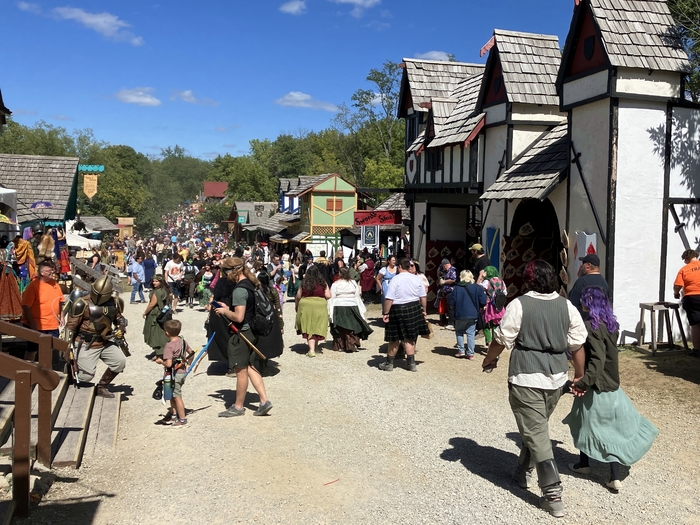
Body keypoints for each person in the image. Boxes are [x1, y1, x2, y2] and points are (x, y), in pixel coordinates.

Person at [481, 259, 587, 518]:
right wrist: (579, 376)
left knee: (537, 431)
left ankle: (553, 494)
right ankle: (521, 472)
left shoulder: (519, 305)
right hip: (556, 379)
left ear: (528, 280)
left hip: (526, 377)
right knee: (536, 428)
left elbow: (501, 338)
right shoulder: (566, 306)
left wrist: (489, 358)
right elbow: (577, 344)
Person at [563, 287, 659, 492]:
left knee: (585, 423)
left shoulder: (591, 326)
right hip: (612, 385)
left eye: (583, 300)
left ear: (589, 302)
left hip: (596, 385)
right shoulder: (611, 324)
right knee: (610, 428)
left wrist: (583, 382)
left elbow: (597, 359)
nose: (581, 302)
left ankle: (586, 465)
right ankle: (610, 474)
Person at [214, 257, 273, 417]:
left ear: (233, 272)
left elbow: (239, 317)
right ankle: (263, 401)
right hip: (251, 331)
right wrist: (228, 307)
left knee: (240, 370)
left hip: (242, 333)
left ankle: (238, 406)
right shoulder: (250, 284)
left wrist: (225, 311)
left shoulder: (239, 290)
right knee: (249, 366)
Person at [64, 276, 128, 398]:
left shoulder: (114, 303)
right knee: (85, 377)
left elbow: (120, 319)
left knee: (119, 362)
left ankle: (101, 387)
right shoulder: (82, 303)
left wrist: (121, 328)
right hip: (86, 343)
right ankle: (70, 368)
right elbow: (70, 327)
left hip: (105, 341)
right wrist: (67, 347)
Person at [378, 258, 430, 372]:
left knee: (394, 337)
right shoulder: (417, 279)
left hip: (398, 309)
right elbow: (423, 297)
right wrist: (424, 310)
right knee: (410, 336)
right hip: (414, 307)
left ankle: (389, 363)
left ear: (400, 267)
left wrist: (386, 313)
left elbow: (389, 298)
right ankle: (411, 364)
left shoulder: (396, 279)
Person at [21, 260, 65, 361]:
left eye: (53, 271)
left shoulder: (55, 284)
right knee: (32, 349)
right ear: (42, 273)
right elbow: (25, 306)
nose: (52, 273)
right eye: (50, 271)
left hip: (52, 324)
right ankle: (29, 368)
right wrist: (32, 324)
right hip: (37, 324)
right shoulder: (33, 286)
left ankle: (45, 370)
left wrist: (61, 316)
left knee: (49, 349)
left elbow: (60, 301)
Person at [156, 319, 194, 427]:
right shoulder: (183, 341)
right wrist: (188, 365)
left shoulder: (169, 346)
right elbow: (191, 353)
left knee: (177, 396)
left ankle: (182, 419)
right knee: (172, 395)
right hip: (181, 373)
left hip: (174, 374)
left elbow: (168, 364)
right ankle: (173, 415)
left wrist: (160, 362)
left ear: (167, 333)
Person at [328, 267, 373, 352]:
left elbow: (332, 296)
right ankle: (351, 343)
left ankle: (341, 345)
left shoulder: (336, 284)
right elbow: (357, 294)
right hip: (352, 305)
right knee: (353, 325)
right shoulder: (353, 283)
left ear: (340, 274)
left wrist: (330, 309)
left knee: (340, 327)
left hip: (339, 305)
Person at [295, 265, 331, 357]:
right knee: (317, 325)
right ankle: (315, 347)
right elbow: (328, 295)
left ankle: (311, 350)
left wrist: (296, 306)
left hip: (306, 305)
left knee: (308, 325)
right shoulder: (323, 283)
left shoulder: (304, 283)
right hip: (319, 305)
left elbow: (298, 296)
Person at [449, 270, 486, 359]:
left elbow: (452, 302)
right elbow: (483, 301)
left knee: (459, 332)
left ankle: (461, 350)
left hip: (460, 314)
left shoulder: (457, 288)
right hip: (473, 314)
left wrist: (452, 309)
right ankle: (470, 353)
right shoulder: (477, 288)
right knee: (471, 333)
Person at [673, 249, 700, 356]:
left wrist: (676, 293)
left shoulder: (684, 269)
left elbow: (677, 285)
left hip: (692, 297)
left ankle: (697, 350)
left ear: (687, 259)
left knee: (696, 325)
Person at [142, 275, 171, 359]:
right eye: (153, 281)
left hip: (155, 314)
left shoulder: (157, 292)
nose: (154, 283)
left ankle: (160, 353)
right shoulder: (166, 290)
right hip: (163, 313)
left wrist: (145, 312)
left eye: (156, 281)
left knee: (155, 333)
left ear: (161, 282)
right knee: (161, 332)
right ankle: (162, 351)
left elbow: (152, 304)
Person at [480, 266, 507, 345]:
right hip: (499, 306)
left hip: (489, 306)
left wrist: (481, 278)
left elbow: (479, 289)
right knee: (495, 324)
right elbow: (505, 293)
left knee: (486, 323)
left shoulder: (486, 282)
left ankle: (489, 341)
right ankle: (493, 342)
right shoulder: (502, 282)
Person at [437, 258, 457, 326]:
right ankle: (449, 321)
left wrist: (444, 281)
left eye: (443, 266)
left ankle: (452, 323)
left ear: (445, 265)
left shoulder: (452, 270)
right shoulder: (446, 271)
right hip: (446, 291)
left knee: (451, 307)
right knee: (448, 307)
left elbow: (454, 280)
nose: (443, 268)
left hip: (451, 291)